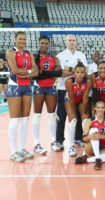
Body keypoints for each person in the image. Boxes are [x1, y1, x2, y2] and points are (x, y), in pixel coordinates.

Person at [6, 31, 38, 162]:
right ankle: (13, 152)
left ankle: (22, 149)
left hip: (27, 87)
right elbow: (15, 71)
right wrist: (30, 72)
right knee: (15, 120)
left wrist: (26, 73)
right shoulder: (11, 52)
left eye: (24, 39)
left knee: (25, 120)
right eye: (20, 39)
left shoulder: (29, 53)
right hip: (15, 87)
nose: (22, 41)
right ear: (15, 39)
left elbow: (36, 71)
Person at [56, 34, 88, 151]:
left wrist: (69, 69)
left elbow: (86, 70)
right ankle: (59, 140)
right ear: (66, 42)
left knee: (78, 115)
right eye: (69, 40)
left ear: (76, 42)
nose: (72, 42)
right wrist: (75, 70)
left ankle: (78, 138)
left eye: (73, 40)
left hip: (78, 89)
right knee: (62, 115)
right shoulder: (60, 56)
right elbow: (60, 73)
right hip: (63, 89)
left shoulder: (81, 55)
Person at [32, 36, 62, 154]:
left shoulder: (54, 58)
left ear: (49, 45)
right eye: (42, 43)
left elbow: (58, 73)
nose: (44, 45)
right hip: (39, 87)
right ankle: (36, 143)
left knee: (51, 115)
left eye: (46, 43)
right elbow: (35, 75)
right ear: (39, 44)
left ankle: (54, 141)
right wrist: (50, 73)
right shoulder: (35, 58)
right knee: (37, 115)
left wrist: (43, 72)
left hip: (50, 88)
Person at [75, 101, 105, 170]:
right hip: (90, 147)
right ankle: (98, 159)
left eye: (102, 108)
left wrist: (100, 136)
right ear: (95, 108)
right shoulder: (90, 120)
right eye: (98, 107)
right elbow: (83, 138)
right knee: (93, 130)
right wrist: (90, 137)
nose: (100, 110)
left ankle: (87, 160)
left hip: (103, 146)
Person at [64, 62, 92, 157]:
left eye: (82, 72)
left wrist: (83, 113)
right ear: (74, 73)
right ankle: (71, 146)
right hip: (70, 99)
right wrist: (74, 113)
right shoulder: (69, 81)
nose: (80, 74)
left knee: (85, 118)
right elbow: (71, 98)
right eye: (77, 72)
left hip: (81, 99)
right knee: (73, 119)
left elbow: (85, 98)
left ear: (85, 73)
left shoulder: (88, 81)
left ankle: (87, 143)